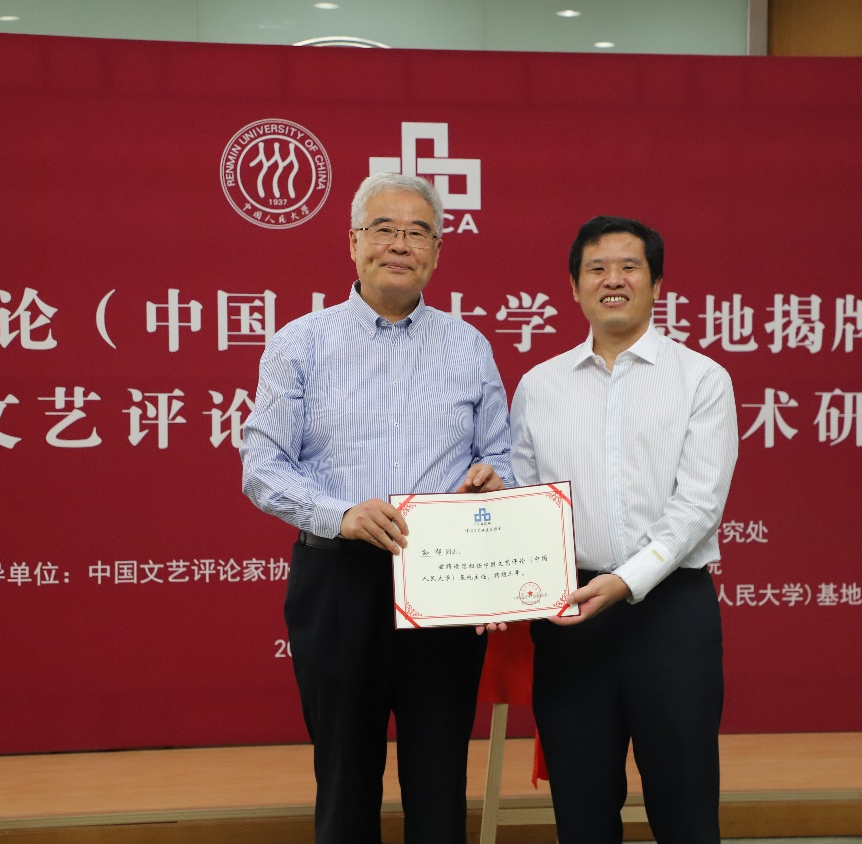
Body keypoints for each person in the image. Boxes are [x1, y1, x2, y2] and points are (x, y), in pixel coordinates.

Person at [240, 172, 514, 844]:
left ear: (437, 252)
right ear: (354, 242)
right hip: (340, 579)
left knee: (439, 781)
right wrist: (340, 515)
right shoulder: (301, 342)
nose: (400, 244)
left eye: (418, 232)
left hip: (443, 579)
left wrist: (494, 479)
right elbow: (262, 465)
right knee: (345, 778)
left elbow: (501, 455)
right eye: (384, 229)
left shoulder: (469, 347)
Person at [510, 216, 738, 843]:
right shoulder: (539, 386)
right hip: (570, 618)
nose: (613, 280)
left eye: (629, 267)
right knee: (581, 813)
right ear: (574, 286)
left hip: (671, 615)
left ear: (657, 283)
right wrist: (496, 577)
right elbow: (525, 504)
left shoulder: (701, 379)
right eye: (597, 269)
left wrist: (625, 581)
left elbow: (698, 505)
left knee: (686, 810)